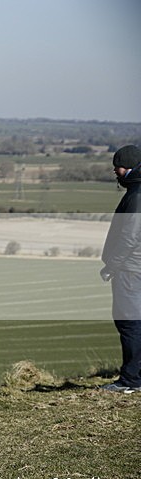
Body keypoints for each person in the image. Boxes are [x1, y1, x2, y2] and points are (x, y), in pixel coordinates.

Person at [100, 144, 141, 393]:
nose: (115, 171)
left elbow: (129, 236)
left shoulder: (137, 195)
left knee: (129, 323)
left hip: (131, 269)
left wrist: (112, 266)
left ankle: (131, 380)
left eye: (117, 166)